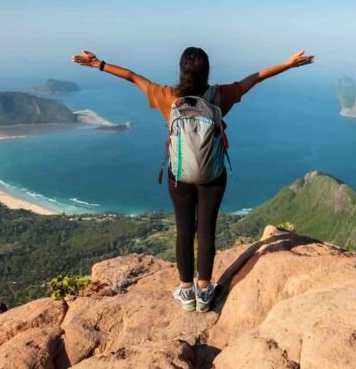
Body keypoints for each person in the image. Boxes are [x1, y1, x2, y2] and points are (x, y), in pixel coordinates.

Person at [72, 47, 314, 312]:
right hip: (213, 175)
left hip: (179, 176)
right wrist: (288, 64)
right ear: (206, 70)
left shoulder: (167, 96)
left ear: (181, 70)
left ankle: (186, 293)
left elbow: (132, 76)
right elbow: (255, 77)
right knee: (207, 230)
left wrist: (100, 64)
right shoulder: (220, 96)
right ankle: (204, 291)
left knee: (185, 230)